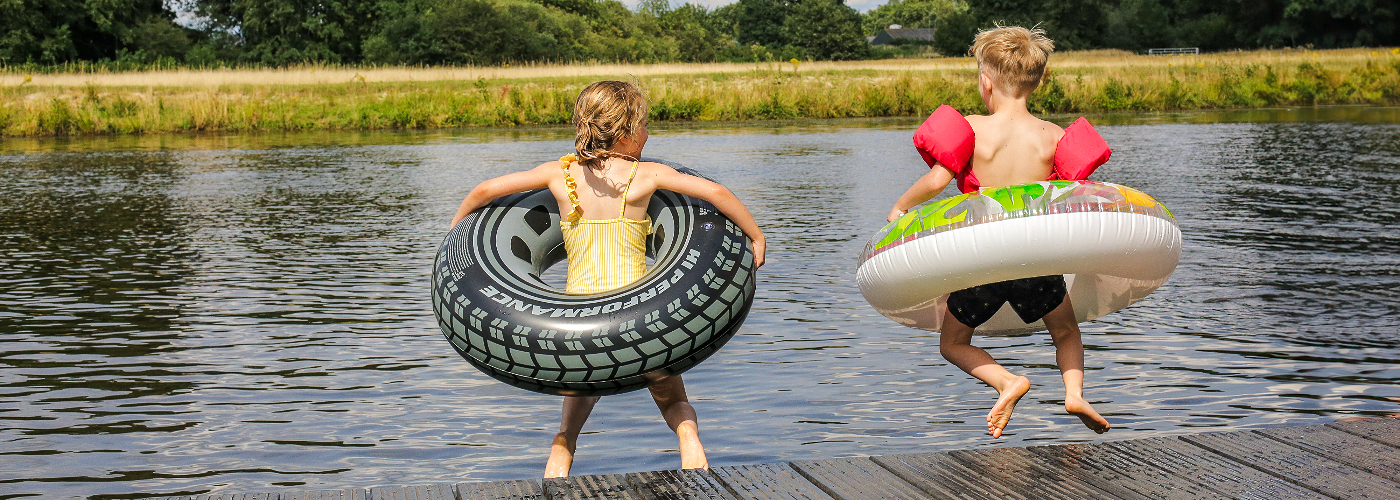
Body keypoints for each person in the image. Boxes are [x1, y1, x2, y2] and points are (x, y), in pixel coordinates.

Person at [449, 80, 766, 477]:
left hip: (575, 324)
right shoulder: (646, 176)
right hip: (642, 316)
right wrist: (756, 235)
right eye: (646, 126)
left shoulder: (559, 174)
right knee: (671, 400)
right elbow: (716, 192)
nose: (649, 134)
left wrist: (455, 236)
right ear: (628, 131)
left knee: (573, 415)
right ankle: (691, 446)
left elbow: (484, 190)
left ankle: (560, 457)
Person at [885, 26, 1111, 439]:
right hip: (1034, 256)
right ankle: (1075, 393)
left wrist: (901, 208)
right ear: (1040, 81)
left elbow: (937, 182)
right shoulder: (1054, 136)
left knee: (953, 343)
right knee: (1065, 331)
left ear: (985, 82)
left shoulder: (972, 130)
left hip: (982, 260)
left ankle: (1006, 381)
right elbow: (1074, 196)